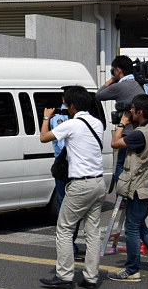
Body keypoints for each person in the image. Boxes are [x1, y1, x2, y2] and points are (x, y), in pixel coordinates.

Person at [39, 86, 106, 289]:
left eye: (65, 104)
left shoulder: (72, 125)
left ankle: (64, 276)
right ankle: (91, 278)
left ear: (73, 105)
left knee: (65, 229)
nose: (64, 107)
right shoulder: (97, 123)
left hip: (81, 185)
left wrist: (45, 118)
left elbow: (44, 137)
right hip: (98, 183)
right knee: (93, 233)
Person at [109, 94, 148, 282]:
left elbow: (115, 143)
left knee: (131, 228)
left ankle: (132, 270)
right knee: (136, 223)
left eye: (132, 109)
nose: (129, 112)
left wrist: (121, 124)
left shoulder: (141, 134)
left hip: (142, 186)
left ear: (140, 112)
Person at [96, 55, 145, 188]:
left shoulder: (119, 86)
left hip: (127, 132)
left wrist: (111, 80)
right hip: (140, 131)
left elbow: (99, 95)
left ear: (118, 70)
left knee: (121, 165)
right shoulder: (137, 84)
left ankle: (121, 194)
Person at [50, 102, 83, 261]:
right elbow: (62, 144)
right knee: (65, 207)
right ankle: (69, 246)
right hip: (64, 164)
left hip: (75, 165)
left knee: (75, 208)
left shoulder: (77, 122)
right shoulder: (59, 119)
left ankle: (71, 244)